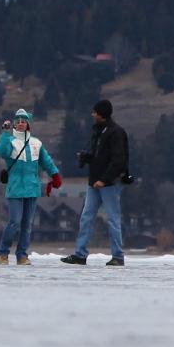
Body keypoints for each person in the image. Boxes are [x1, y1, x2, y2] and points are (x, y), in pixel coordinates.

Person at [61, 99, 129, 266]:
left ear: (101, 114)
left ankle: (118, 256)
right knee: (86, 217)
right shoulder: (99, 132)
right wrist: (87, 158)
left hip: (109, 183)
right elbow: (101, 158)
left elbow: (118, 161)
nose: (92, 115)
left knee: (112, 218)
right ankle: (80, 254)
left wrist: (104, 180)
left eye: (95, 112)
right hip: (94, 182)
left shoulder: (116, 132)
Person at [0, 108, 61, 266]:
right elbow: (1, 151)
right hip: (16, 188)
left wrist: (55, 175)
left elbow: (46, 161)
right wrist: (4, 133)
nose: (21, 124)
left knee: (27, 225)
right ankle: (3, 252)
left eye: (24, 121)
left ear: (28, 124)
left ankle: (22, 255)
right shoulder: (10, 142)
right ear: (14, 125)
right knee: (14, 221)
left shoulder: (36, 143)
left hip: (32, 188)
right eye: (18, 122)